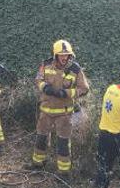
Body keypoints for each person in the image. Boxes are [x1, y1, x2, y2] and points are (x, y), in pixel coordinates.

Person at [30, 40, 90, 176]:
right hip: (45, 111)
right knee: (41, 138)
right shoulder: (45, 65)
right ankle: (38, 164)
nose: (64, 58)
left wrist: (67, 93)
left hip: (64, 114)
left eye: (67, 55)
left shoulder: (75, 69)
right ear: (55, 55)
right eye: (61, 55)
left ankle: (63, 172)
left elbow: (84, 88)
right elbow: (38, 79)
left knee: (63, 142)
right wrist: (44, 87)